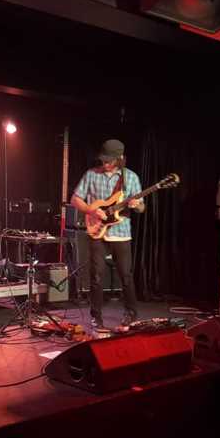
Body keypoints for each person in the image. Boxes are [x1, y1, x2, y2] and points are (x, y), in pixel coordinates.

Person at [71, 139, 144, 331]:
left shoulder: (131, 178)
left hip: (121, 233)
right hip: (98, 232)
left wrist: (137, 205)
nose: (105, 163)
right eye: (103, 159)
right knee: (96, 276)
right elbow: (75, 199)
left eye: (109, 160)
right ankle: (96, 316)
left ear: (120, 158)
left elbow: (142, 207)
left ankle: (131, 313)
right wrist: (91, 211)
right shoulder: (91, 174)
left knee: (126, 276)